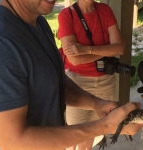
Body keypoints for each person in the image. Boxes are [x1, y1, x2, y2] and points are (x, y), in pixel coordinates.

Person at [0, 0, 143, 149]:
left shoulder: (38, 22)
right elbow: (13, 143)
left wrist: (95, 103)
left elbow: (53, 80)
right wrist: (104, 126)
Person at [57, 0, 125, 149]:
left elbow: (119, 48)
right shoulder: (66, 15)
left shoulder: (105, 10)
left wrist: (87, 50)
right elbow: (74, 60)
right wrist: (105, 51)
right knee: (74, 134)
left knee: (94, 130)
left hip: (106, 81)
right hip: (78, 83)